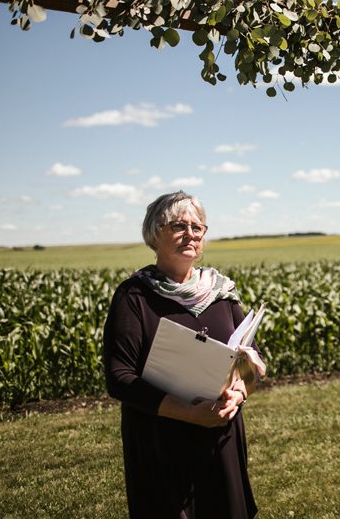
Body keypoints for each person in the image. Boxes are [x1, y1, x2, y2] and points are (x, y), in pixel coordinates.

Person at [103, 191, 262, 519]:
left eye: (197, 227)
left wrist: (241, 391)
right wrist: (189, 414)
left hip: (221, 436)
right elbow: (120, 378)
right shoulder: (135, 296)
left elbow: (249, 359)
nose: (190, 234)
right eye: (178, 225)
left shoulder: (221, 293)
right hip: (161, 441)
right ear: (154, 233)